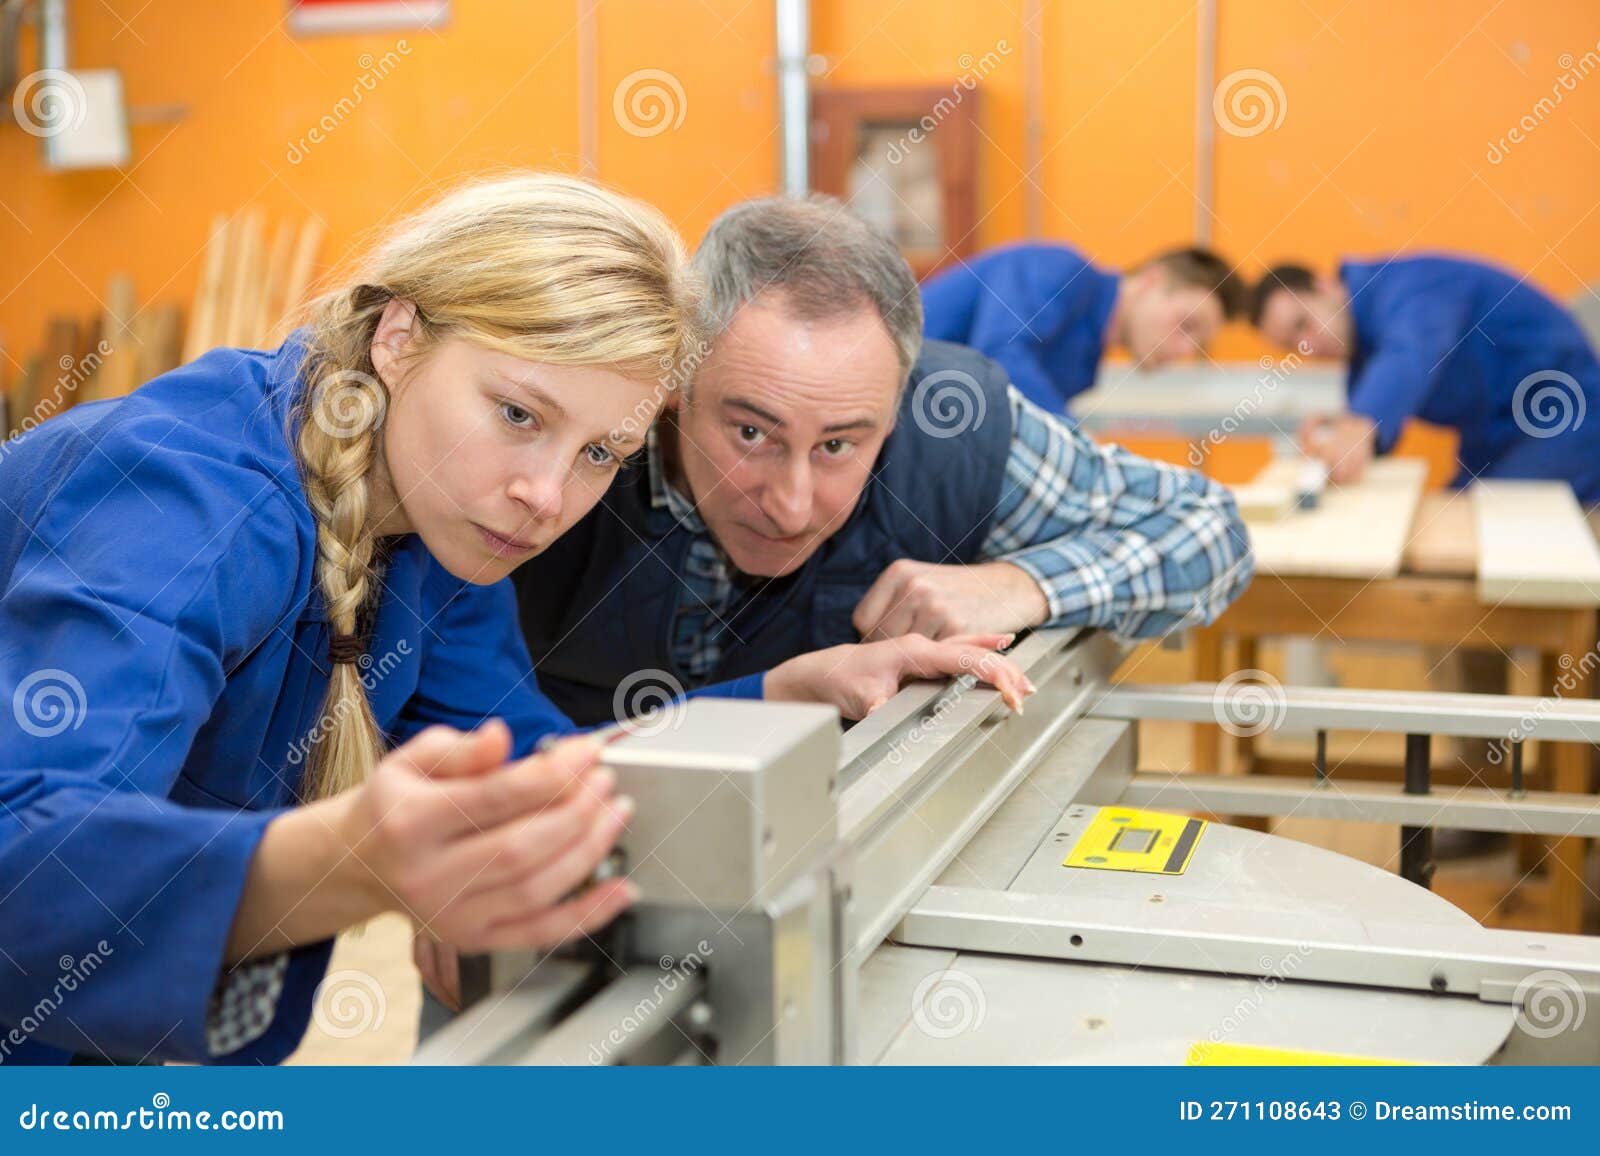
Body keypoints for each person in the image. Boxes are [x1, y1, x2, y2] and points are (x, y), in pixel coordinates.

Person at [0, 174, 1029, 1065]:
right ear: (399, 337)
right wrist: (350, 862)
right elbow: (25, 862)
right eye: (518, 414)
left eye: (599, 454)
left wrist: (776, 695)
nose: (546, 497)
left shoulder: (441, 534)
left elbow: (529, 769)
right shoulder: (182, 501)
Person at [516, 197, 1254, 727]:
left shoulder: (954, 430)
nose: (794, 504)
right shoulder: (576, 425)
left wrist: (1021, 584)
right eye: (751, 433)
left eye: (838, 444)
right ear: (677, 379)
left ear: (901, 400)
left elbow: (1210, 530)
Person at [1251, 255, 1600, 498]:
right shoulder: (1362, 346)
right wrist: (1338, 431)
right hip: (1497, 437)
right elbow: (1373, 422)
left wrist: (1356, 425)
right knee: (1449, 516)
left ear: (1325, 286)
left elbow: (1412, 350)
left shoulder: (1410, 286)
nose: (1307, 346)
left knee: (1477, 529)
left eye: (1303, 324)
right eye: (1293, 345)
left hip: (1570, 416)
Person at [918, 242, 1249, 411]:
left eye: (1198, 345)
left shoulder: (1085, 361)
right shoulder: (1062, 270)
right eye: (1186, 325)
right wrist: (1081, 452)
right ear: (1151, 280)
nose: (1185, 351)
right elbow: (999, 358)